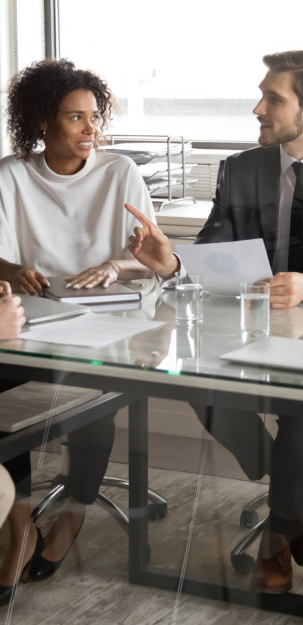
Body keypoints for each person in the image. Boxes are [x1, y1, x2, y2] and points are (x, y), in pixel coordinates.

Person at [125, 49, 303, 595]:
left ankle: (276, 536)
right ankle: (293, 499)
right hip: (254, 323)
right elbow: (212, 252)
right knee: (191, 380)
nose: (258, 108)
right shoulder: (241, 168)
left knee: (302, 409)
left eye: (273, 99)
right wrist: (174, 263)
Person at [0, 58, 155, 602]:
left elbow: (153, 258)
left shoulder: (120, 173)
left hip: (110, 316)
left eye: (95, 117)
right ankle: (19, 523)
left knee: (96, 395)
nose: (92, 130)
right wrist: (11, 270)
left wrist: (117, 266)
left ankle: (73, 514)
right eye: (76, 118)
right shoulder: (11, 175)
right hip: (33, 317)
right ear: (43, 121)